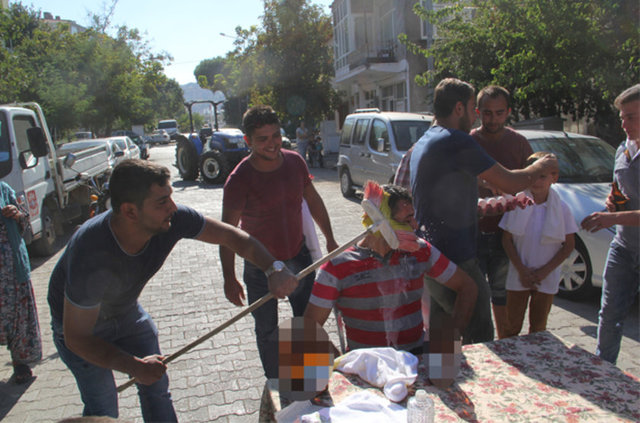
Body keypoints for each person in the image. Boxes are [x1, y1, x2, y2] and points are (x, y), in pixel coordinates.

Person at [48, 159, 300, 421]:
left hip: (125, 312)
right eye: (161, 202)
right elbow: (77, 338)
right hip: (79, 330)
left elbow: (232, 237)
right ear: (130, 211)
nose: (173, 207)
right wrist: (133, 366)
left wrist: (273, 268)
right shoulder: (91, 252)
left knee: (156, 387)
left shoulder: (173, 219)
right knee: (103, 408)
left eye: (170, 197)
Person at [410, 77, 557, 344]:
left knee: (444, 337)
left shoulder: (427, 139)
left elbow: (449, 199)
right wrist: (541, 166)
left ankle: (445, 381)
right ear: (459, 108)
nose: (476, 117)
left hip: (434, 256)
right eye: (471, 107)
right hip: (457, 258)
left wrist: (492, 201)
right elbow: (512, 181)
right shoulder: (455, 139)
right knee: (480, 341)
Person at [221, 105, 338, 380]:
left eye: (275, 135)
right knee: (267, 332)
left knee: (307, 324)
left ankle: (313, 382)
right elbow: (227, 233)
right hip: (260, 269)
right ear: (247, 141)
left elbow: (314, 200)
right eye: (262, 139)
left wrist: (330, 238)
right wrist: (229, 277)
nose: (271, 143)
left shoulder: (296, 161)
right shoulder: (238, 181)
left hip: (298, 257)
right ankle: (277, 389)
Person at [304, 183, 477, 354]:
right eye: (407, 220)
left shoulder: (420, 251)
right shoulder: (337, 267)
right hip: (367, 367)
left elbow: (468, 287)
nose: (415, 226)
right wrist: (341, 365)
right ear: (380, 221)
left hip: (416, 359)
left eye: (413, 217)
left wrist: (451, 339)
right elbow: (309, 328)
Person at [580, 84, 640, 364]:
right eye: (622, 117)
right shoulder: (622, 149)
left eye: (632, 117)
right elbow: (618, 185)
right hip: (624, 245)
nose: (625, 124)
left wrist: (610, 218)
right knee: (609, 312)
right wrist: (612, 201)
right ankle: (604, 370)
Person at [470, 85, 533, 339]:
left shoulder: (519, 143)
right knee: (474, 297)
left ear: (507, 112)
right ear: (477, 112)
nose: (492, 119)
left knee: (502, 296)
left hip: (508, 236)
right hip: (472, 232)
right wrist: (483, 182)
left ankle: (505, 348)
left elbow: (533, 183)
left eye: (498, 113)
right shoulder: (468, 141)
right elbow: (454, 177)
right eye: (487, 113)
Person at [499, 152, 577, 337]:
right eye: (532, 175)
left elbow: (568, 245)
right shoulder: (517, 203)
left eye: (542, 176)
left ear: (553, 177)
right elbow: (506, 239)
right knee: (511, 325)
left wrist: (544, 271)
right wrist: (522, 270)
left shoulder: (562, 208)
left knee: (538, 327)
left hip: (546, 275)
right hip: (519, 272)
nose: (537, 181)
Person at [0, 182, 42, 383]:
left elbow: (25, 220)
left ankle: (20, 364)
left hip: (12, 270)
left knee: (19, 316)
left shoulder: (4, 189)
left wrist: (16, 214)